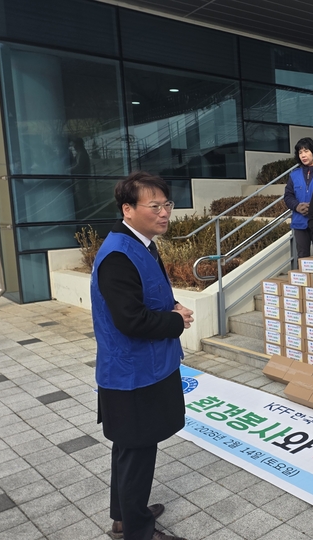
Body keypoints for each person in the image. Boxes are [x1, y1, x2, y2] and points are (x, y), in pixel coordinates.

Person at [92, 172, 194, 540]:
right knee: (137, 449)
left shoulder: (141, 243)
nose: (164, 213)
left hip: (145, 366)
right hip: (132, 373)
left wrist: (172, 305)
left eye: (167, 205)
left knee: (131, 447)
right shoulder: (118, 256)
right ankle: (137, 531)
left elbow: (147, 293)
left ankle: (125, 515)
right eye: (155, 206)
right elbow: (130, 320)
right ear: (128, 209)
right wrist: (176, 321)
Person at [283, 137, 313, 261]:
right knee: (302, 258)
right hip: (300, 223)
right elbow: (288, 195)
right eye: (300, 152)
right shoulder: (294, 174)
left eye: (306, 151)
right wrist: (297, 206)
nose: (303, 155)